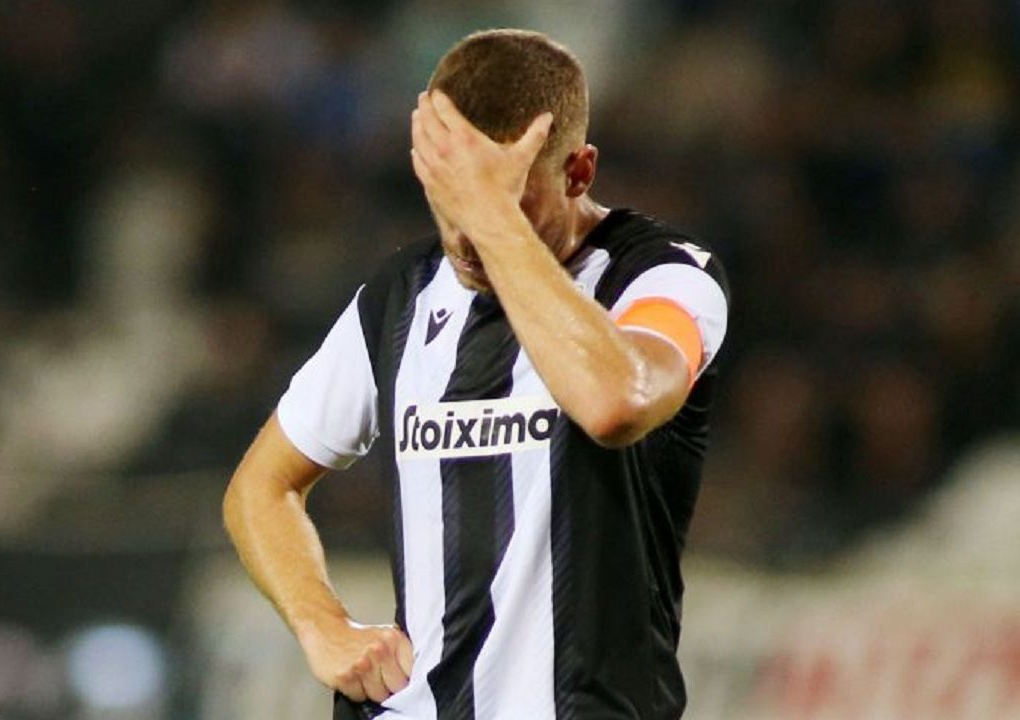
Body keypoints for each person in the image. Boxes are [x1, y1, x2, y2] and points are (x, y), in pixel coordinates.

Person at [223, 29, 730, 720]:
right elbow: (261, 487)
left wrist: (494, 219)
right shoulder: (400, 298)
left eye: (505, 198)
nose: (465, 234)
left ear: (578, 172)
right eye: (449, 198)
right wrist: (322, 625)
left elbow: (617, 401)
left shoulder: (663, 275)